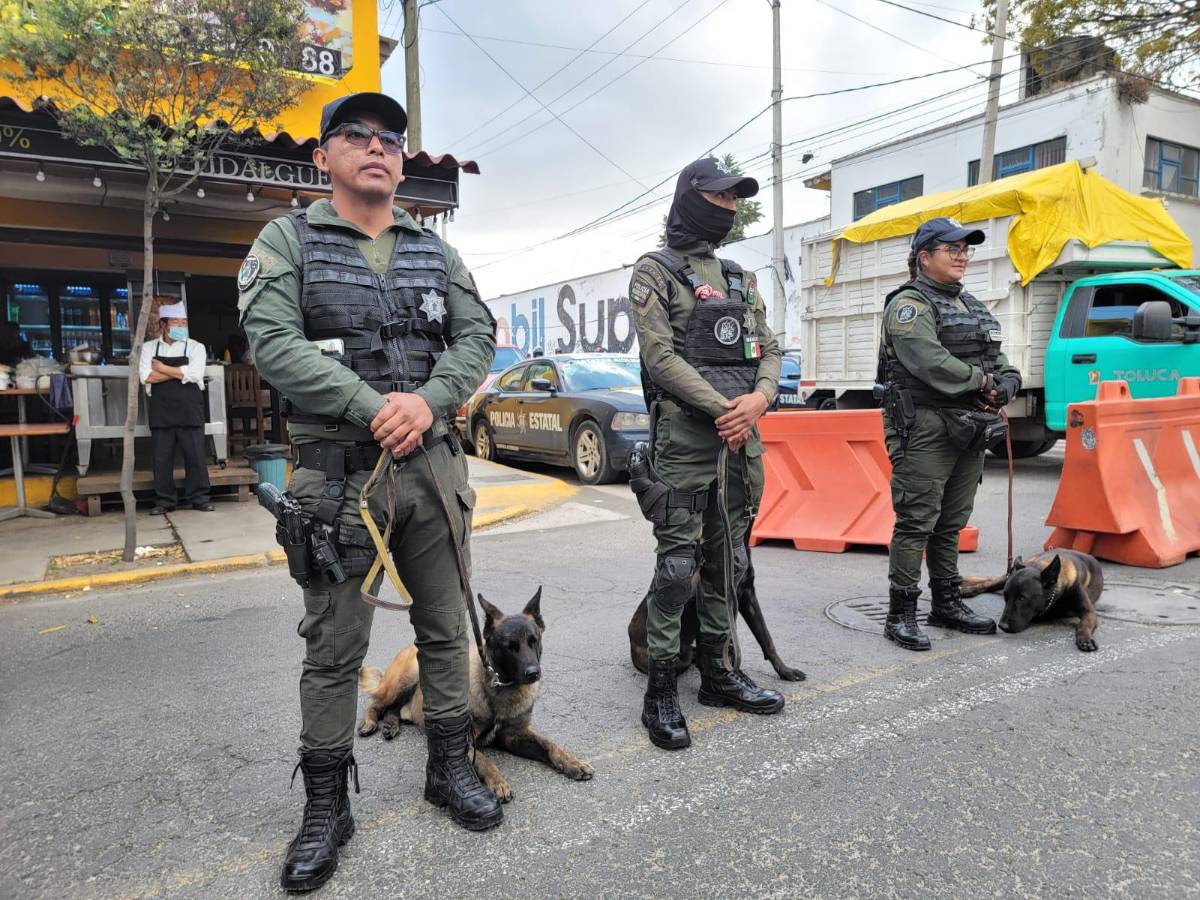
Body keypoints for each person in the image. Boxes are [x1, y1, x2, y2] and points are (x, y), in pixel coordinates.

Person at [239, 91, 499, 893]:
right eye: (356, 135)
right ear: (323, 157)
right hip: (336, 480)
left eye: (391, 138)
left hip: (434, 467)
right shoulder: (288, 240)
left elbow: (477, 335)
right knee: (333, 648)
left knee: (447, 630)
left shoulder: (434, 249)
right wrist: (374, 406)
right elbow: (272, 343)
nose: (378, 148)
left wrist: (428, 401)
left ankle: (448, 769)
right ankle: (326, 807)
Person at [628, 157, 785, 752]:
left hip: (743, 442)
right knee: (675, 570)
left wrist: (759, 400)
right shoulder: (655, 272)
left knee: (728, 563)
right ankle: (662, 690)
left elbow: (769, 349)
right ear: (689, 198)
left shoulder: (741, 276)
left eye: (734, 200)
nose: (728, 208)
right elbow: (659, 358)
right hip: (688, 445)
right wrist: (728, 407)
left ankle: (719, 674)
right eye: (718, 197)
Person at [876, 217, 1023, 651]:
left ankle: (947, 602)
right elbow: (928, 360)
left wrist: (1008, 383)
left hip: (971, 428)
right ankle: (900, 614)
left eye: (966, 248)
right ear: (925, 257)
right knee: (917, 521)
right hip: (924, 426)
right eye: (951, 248)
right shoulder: (910, 304)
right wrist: (983, 382)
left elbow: (1001, 361)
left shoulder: (972, 305)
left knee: (951, 522)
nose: (962, 255)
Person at [138, 302, 212, 514]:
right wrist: (180, 372)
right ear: (162, 325)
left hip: (190, 410)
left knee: (196, 456)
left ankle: (199, 498)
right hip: (162, 412)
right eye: (175, 322)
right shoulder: (149, 348)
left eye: (184, 322)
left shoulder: (196, 347)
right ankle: (165, 501)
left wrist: (162, 368)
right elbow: (147, 377)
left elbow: (196, 374)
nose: (181, 325)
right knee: (162, 458)